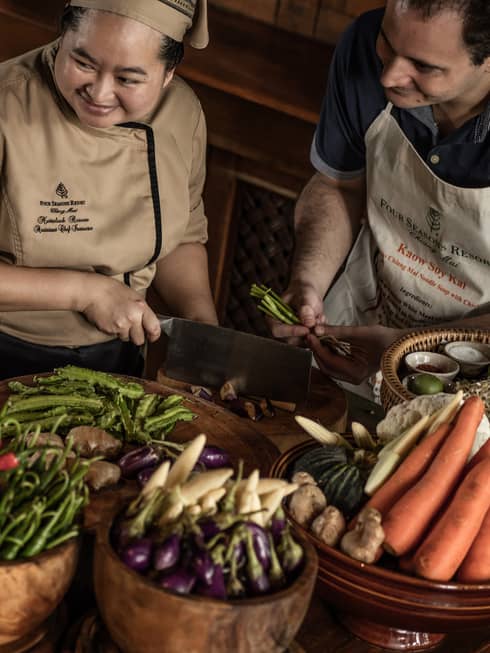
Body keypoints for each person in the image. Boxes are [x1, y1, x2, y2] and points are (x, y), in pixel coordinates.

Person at [271, 0, 490, 389]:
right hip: (362, 321)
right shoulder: (361, 44)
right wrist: (308, 281)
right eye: (387, 43)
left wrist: (407, 348)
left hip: (474, 372)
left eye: (424, 67)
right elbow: (339, 185)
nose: (388, 76)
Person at [0, 0, 218, 381]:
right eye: (83, 63)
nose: (99, 93)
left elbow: (182, 237)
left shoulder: (183, 114)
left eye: (128, 79)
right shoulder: (7, 102)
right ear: (63, 34)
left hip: (120, 360)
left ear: (168, 73)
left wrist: (203, 327)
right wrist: (85, 293)